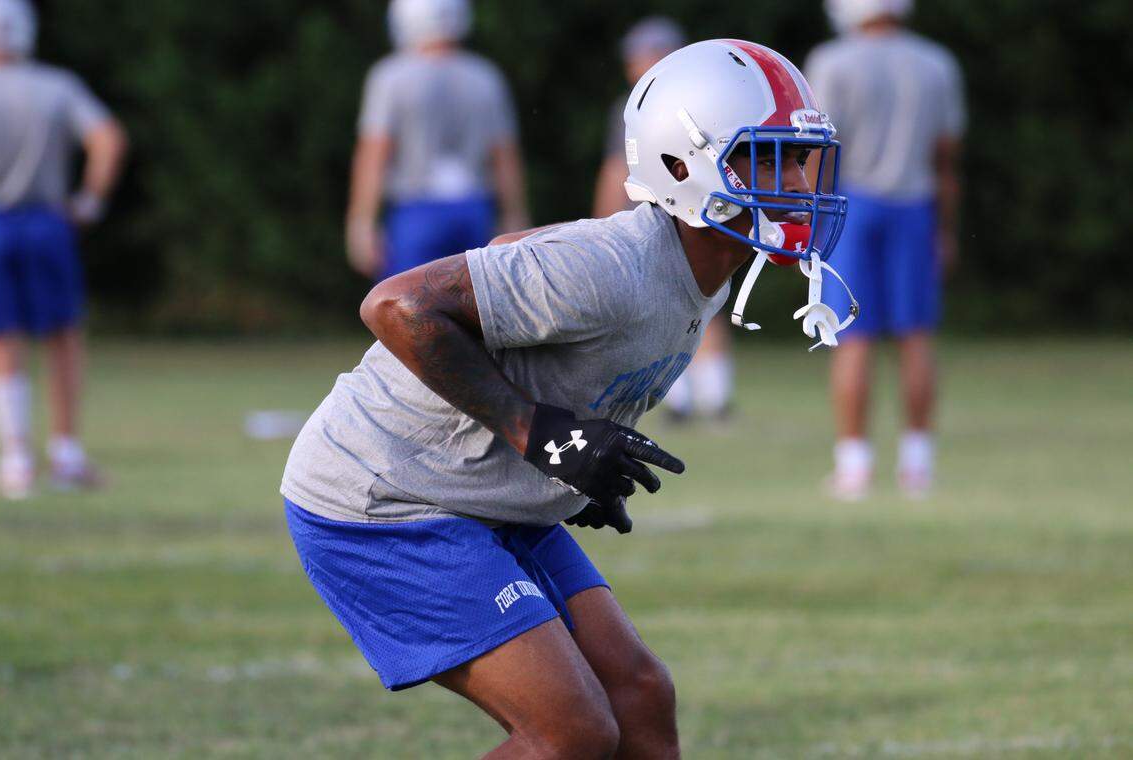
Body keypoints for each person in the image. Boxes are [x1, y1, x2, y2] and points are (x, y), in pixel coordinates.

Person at [282, 39, 852, 757]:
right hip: (387, 496)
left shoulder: (702, 259)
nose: (799, 182)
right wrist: (543, 438)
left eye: (801, 158)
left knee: (641, 700)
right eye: (771, 158)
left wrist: (567, 465)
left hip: (482, 494)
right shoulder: (620, 267)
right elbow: (396, 305)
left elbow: (518, 250)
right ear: (683, 165)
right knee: (571, 734)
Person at [805, 0, 964, 501]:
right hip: (915, 204)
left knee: (852, 337)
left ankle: (854, 466)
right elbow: (946, 158)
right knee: (916, 336)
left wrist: (808, 225)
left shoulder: (833, 61)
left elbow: (819, 150)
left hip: (852, 205)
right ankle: (917, 465)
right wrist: (946, 228)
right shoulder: (936, 62)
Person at [0, 0, 127, 499]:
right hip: (48, 222)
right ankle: (66, 453)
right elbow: (107, 138)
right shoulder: (55, 85)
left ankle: (16, 461)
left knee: (3, 340)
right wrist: (89, 202)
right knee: (62, 336)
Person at [595, 16, 738, 424]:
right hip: (653, 216)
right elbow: (616, 170)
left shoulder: (691, 103)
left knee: (703, 300)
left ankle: (713, 392)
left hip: (689, 213)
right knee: (667, 307)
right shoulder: (632, 107)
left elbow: (613, 170)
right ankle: (682, 396)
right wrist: (605, 220)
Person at [345, 0, 529, 282]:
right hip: (474, 208)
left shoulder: (390, 76)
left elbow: (374, 154)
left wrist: (362, 221)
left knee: (406, 312)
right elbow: (504, 155)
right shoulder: (486, 77)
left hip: (415, 212)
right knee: (476, 313)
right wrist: (515, 215)